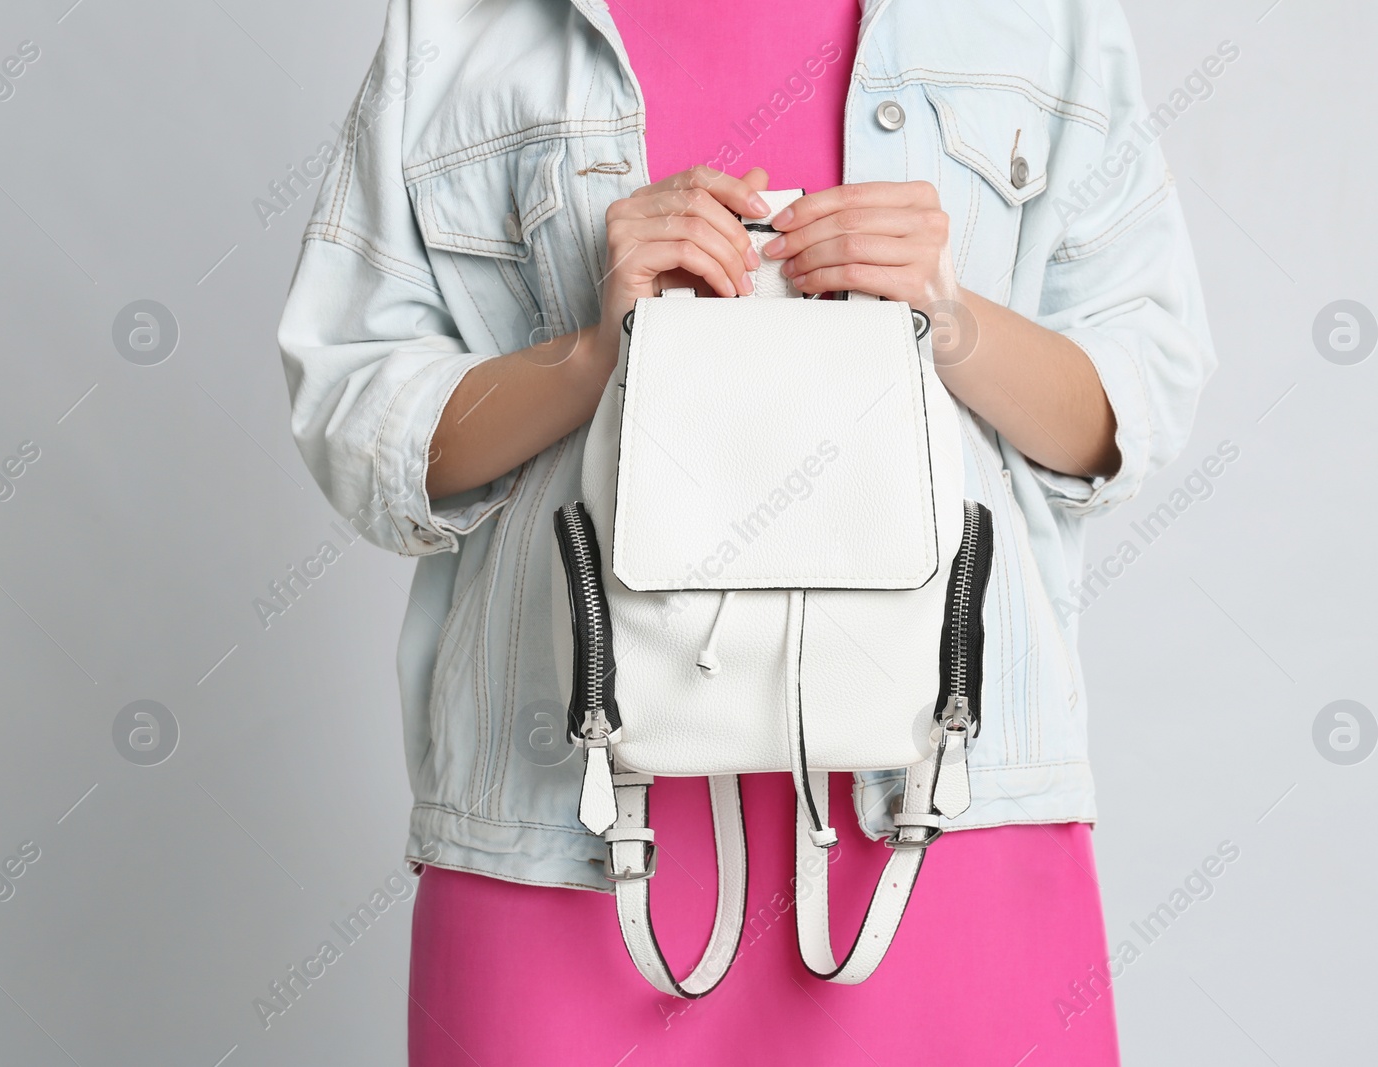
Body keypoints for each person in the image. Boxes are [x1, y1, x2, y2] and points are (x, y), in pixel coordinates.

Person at [278, 0, 1215, 1062]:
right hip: (559, 841)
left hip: (946, 831)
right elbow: (360, 427)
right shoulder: (462, 22)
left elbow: (1133, 405)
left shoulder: (1037, 18)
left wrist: (948, 315)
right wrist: (591, 352)